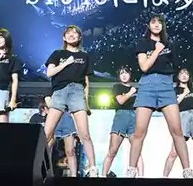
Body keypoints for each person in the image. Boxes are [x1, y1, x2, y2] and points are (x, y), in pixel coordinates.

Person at [128, 15, 193, 178]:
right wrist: (157, 50)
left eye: (160, 22)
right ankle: (131, 170)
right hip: (147, 85)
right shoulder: (143, 43)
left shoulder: (170, 44)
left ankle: (187, 171)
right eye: (153, 22)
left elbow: (175, 66)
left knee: (177, 131)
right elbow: (144, 67)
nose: (157, 25)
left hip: (166, 85)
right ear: (148, 25)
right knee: (139, 132)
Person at [43, 25, 97, 177]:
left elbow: (86, 81)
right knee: (47, 133)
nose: (72, 35)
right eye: (68, 33)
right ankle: (38, 165)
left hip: (77, 91)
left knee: (85, 134)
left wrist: (86, 102)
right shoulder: (57, 54)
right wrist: (66, 63)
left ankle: (93, 168)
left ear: (80, 37)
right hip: (60, 92)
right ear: (64, 37)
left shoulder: (84, 56)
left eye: (75, 33)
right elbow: (49, 72)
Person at [163, 68, 193, 178]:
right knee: (174, 152)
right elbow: (173, 104)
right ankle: (164, 177)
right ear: (178, 77)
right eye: (181, 73)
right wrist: (184, 94)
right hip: (181, 117)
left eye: (186, 73)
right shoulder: (174, 90)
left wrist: (189, 92)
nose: (184, 75)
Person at [102, 66, 143, 177]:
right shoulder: (117, 87)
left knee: (137, 151)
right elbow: (120, 101)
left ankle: (141, 177)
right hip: (121, 116)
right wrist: (130, 93)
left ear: (130, 74)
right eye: (121, 73)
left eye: (126, 73)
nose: (124, 75)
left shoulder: (137, 89)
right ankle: (103, 176)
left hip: (134, 117)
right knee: (112, 150)